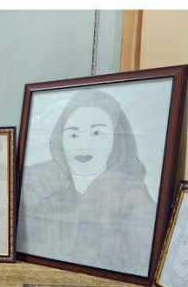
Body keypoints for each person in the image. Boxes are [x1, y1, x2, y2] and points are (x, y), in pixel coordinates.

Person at [18, 88, 156, 276]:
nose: (84, 145)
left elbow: (142, 260)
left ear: (116, 139)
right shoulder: (36, 183)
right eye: (73, 135)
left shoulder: (130, 193)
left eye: (97, 133)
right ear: (61, 139)